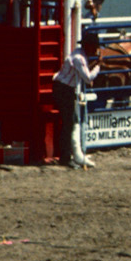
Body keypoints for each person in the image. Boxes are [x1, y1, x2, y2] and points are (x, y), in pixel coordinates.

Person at [52, 33, 99, 170]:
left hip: (65, 88)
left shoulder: (79, 55)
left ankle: (68, 155)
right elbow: (88, 78)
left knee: (70, 122)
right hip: (64, 89)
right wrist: (98, 67)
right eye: (94, 47)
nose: (95, 50)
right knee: (68, 123)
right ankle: (65, 157)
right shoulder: (79, 58)